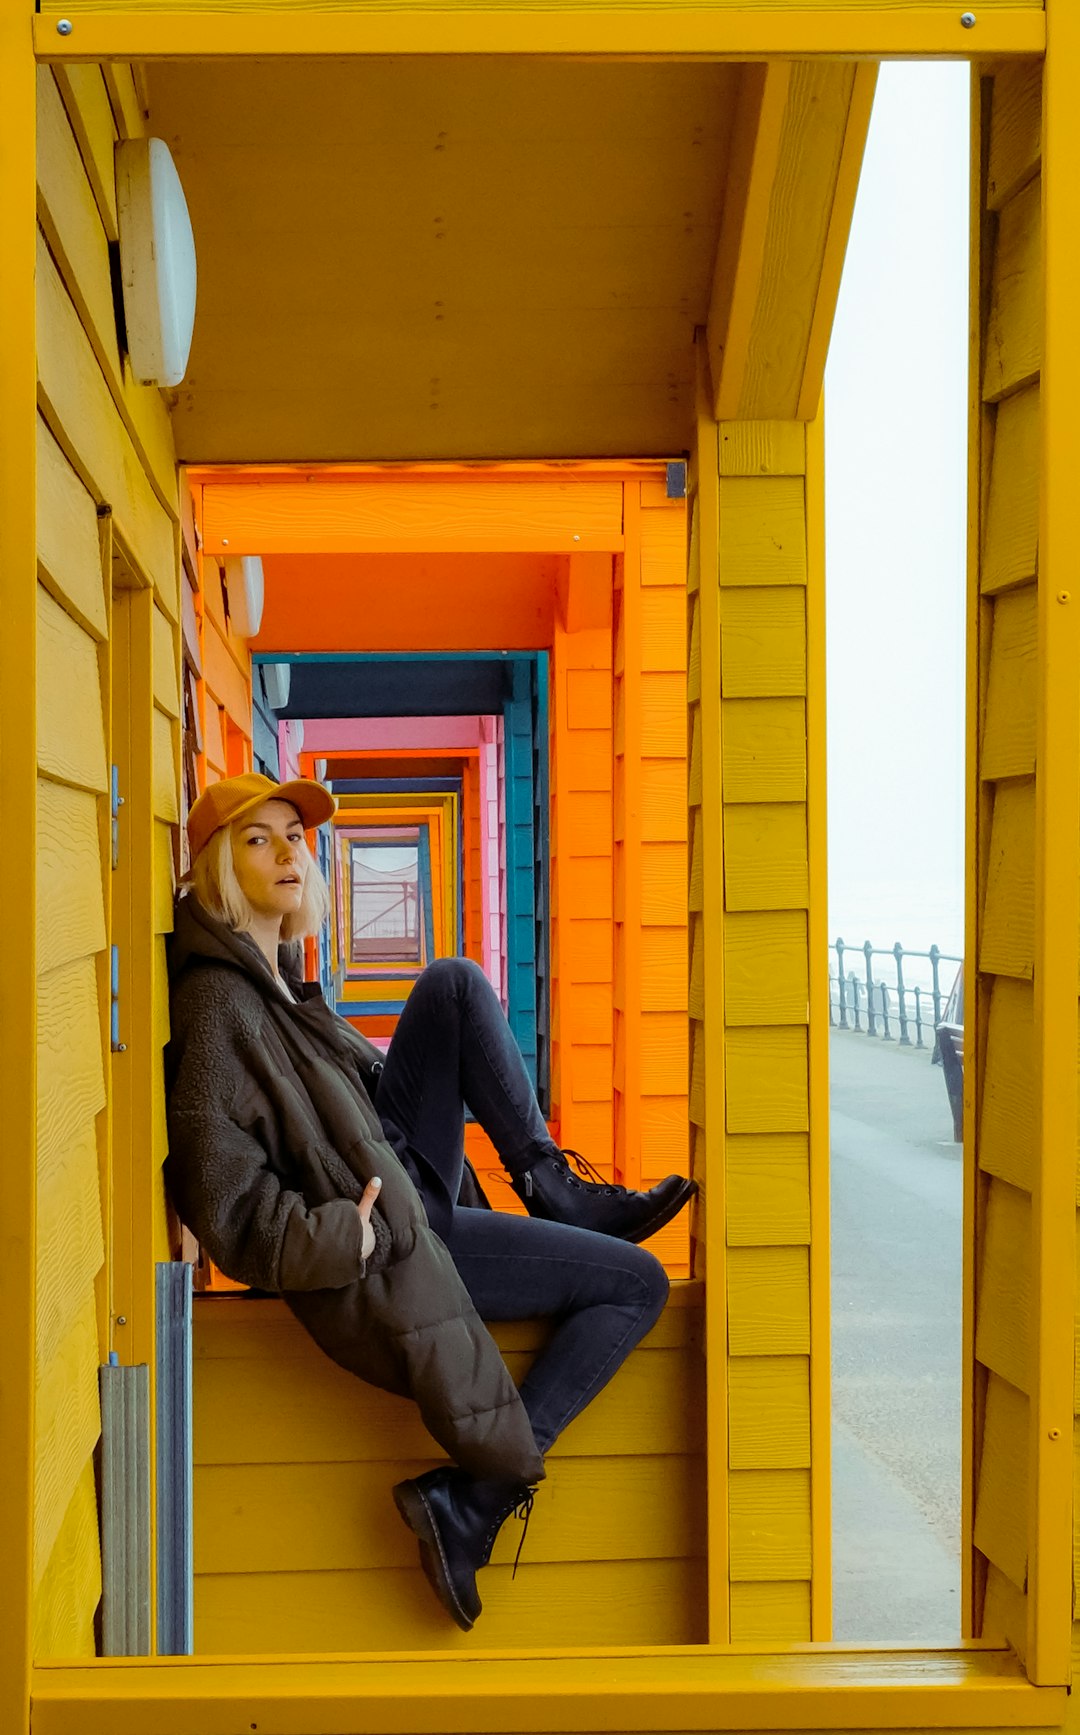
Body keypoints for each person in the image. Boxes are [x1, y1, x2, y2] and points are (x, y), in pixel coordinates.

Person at [164, 772, 696, 1631]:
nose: (288, 852)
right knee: (635, 1283)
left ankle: (551, 1185)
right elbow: (220, 1198)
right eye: (258, 839)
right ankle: (477, 1501)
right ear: (220, 865)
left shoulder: (278, 982)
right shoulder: (217, 1002)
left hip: (394, 1186)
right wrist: (345, 1237)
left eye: (294, 836)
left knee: (452, 984)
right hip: (383, 1240)